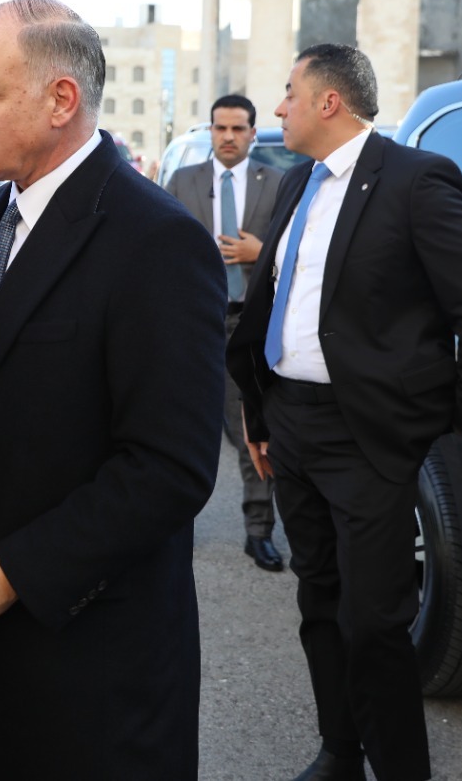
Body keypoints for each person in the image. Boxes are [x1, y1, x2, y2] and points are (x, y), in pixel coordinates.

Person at [0, 0, 227, 779]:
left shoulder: (156, 241)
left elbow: (169, 466)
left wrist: (15, 571)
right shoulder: (2, 209)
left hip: (79, 673)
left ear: (60, 100)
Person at [226, 44, 462, 781]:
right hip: (291, 424)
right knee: (319, 601)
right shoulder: (297, 183)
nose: (278, 107)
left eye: (289, 93)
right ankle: (340, 751)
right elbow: (276, 305)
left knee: (376, 623)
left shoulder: (416, 180)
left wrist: (454, 422)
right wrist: (260, 413)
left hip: (368, 437)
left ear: (330, 102)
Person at [167, 94, 286, 572]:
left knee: (251, 428)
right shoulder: (183, 181)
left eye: (238, 129)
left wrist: (263, 251)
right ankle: (174, 530)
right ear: (210, 131)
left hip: (249, 323)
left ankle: (259, 532)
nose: (229, 137)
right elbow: (159, 248)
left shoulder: (277, 183)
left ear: (253, 133)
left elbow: (300, 249)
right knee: (180, 431)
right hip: (194, 323)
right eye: (221, 128)